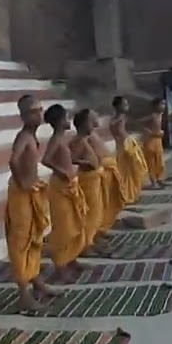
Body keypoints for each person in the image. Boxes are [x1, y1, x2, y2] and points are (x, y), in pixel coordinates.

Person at [5, 95, 55, 313]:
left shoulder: (31, 137)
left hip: (31, 192)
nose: (38, 114)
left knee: (35, 238)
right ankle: (23, 294)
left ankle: (37, 283)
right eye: (33, 111)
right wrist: (23, 183)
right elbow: (13, 160)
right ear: (23, 116)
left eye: (39, 110)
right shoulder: (23, 137)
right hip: (21, 194)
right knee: (21, 242)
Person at [41, 104, 87, 282]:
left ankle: (72, 258)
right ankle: (60, 267)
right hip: (60, 188)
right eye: (66, 118)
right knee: (63, 228)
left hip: (69, 185)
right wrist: (61, 171)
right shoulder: (55, 140)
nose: (69, 121)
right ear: (60, 121)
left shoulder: (61, 139)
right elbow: (45, 160)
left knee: (75, 224)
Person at [70, 109, 109, 254]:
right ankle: (85, 245)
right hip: (87, 179)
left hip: (94, 177)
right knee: (90, 213)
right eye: (91, 121)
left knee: (96, 213)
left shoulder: (85, 139)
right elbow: (71, 158)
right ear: (84, 123)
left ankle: (90, 240)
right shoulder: (77, 140)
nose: (94, 123)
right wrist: (85, 162)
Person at [112, 96, 148, 205]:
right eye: (125, 104)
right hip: (122, 145)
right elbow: (114, 129)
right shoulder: (117, 119)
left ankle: (133, 194)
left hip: (127, 143)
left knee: (133, 169)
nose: (127, 106)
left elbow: (135, 126)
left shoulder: (123, 118)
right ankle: (127, 195)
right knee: (124, 170)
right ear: (118, 106)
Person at [141, 98, 168, 189]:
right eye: (161, 104)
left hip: (158, 141)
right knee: (151, 161)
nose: (163, 106)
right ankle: (153, 181)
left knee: (160, 161)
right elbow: (140, 123)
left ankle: (160, 178)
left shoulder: (161, 115)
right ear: (156, 106)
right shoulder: (152, 116)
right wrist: (150, 132)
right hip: (151, 140)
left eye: (164, 104)